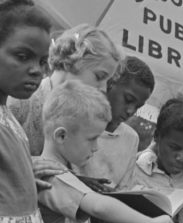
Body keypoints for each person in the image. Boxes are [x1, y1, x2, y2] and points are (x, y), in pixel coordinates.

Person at [37, 80, 175, 223]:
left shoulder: (49, 170)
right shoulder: (51, 175)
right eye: (92, 139)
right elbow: (98, 207)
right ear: (61, 136)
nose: (95, 148)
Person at [8, 23, 122, 157]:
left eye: (107, 82)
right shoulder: (20, 102)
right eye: (99, 76)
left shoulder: (77, 113)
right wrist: (31, 165)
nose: (103, 88)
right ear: (74, 60)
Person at [0, 0, 52, 223]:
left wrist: (23, 183)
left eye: (43, 61)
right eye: (23, 56)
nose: (37, 70)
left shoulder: (8, 117)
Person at [73, 55, 155, 191]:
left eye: (138, 107)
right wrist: (77, 182)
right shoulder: (72, 117)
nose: (131, 111)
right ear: (109, 84)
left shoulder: (131, 138)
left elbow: (124, 189)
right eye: (128, 100)